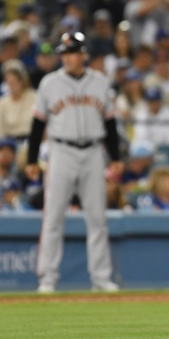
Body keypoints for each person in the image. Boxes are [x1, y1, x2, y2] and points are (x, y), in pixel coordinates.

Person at [25, 32, 121, 293]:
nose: (67, 57)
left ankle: (101, 278)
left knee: (97, 218)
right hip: (61, 151)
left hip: (93, 151)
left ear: (84, 55)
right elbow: (37, 125)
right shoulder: (49, 83)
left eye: (73, 52)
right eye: (65, 52)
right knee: (53, 217)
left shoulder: (100, 82)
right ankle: (47, 278)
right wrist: (31, 159)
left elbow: (110, 123)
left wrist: (116, 157)